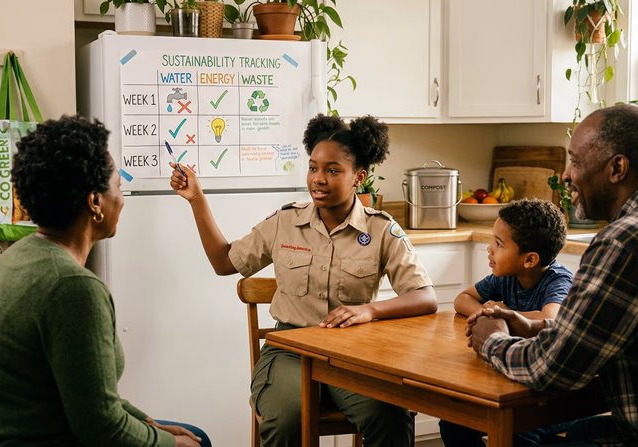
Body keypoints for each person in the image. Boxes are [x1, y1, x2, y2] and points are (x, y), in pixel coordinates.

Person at [170, 114, 438, 447]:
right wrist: (197, 199)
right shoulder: (285, 221)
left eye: (332, 170)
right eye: (313, 168)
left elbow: (425, 297)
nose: (318, 179)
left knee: (392, 416)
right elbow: (225, 262)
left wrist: (370, 310)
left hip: (352, 355)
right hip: (290, 351)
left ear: (359, 177)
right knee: (284, 420)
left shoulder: (381, 229)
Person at [0, 115, 211, 447]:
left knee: (190, 435)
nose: (123, 197)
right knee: (196, 442)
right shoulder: (72, 288)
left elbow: (87, 395)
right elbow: (101, 428)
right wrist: (169, 444)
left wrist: (148, 423)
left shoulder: (20, 253)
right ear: (95, 202)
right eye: (117, 184)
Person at [467, 104, 638, 446]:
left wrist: (492, 341)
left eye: (575, 161)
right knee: (580, 432)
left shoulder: (625, 241)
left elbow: (553, 369)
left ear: (617, 167)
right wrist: (538, 327)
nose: (566, 175)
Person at [440, 199, 574, 446]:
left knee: (517, 432)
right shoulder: (506, 277)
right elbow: (462, 299)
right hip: (513, 381)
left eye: (499, 244)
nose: (489, 249)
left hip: (554, 396)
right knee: (453, 421)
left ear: (530, 260)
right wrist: (485, 312)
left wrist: (505, 313)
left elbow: (551, 319)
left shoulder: (557, 280)